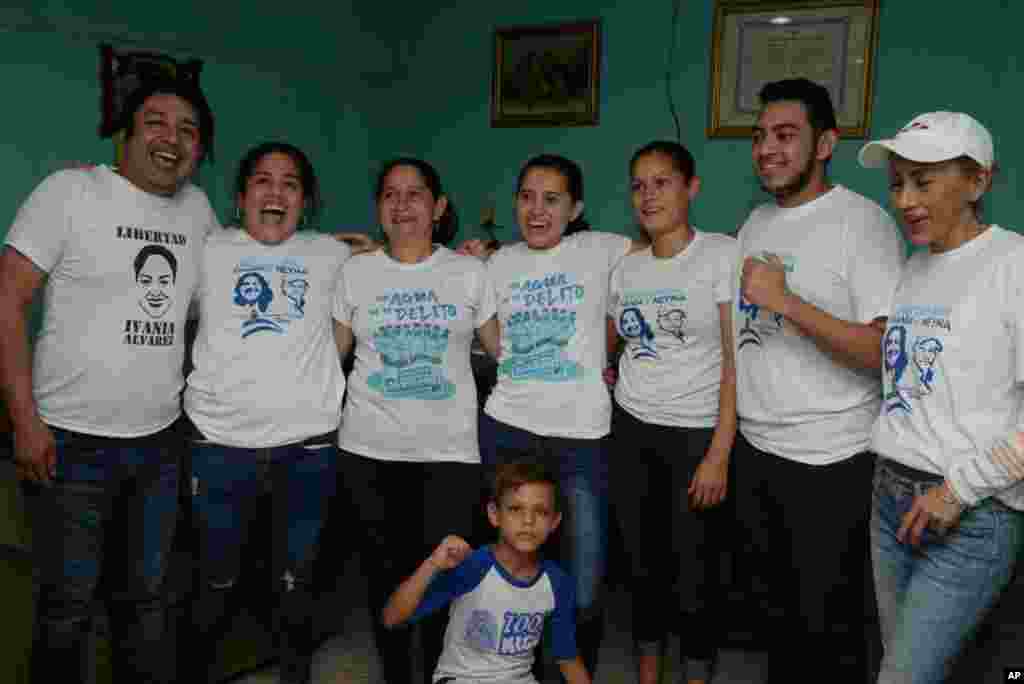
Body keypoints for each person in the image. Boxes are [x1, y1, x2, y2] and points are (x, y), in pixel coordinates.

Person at [0, 77, 218, 684]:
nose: (172, 139)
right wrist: (24, 420)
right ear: (126, 131)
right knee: (67, 607)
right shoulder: (70, 193)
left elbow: (213, 305)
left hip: (161, 443)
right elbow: (6, 300)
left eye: (189, 130)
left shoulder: (198, 210)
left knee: (147, 603)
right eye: (156, 121)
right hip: (69, 443)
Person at [732, 78, 905, 681]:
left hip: (830, 462)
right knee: (776, 626)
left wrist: (790, 304)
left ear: (826, 142)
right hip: (758, 454)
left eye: (785, 135)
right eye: (759, 136)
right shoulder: (754, 222)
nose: (766, 149)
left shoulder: (864, 225)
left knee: (828, 633)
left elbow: (886, 349)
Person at [858, 111, 1024, 683]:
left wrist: (957, 491)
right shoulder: (915, 267)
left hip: (969, 514)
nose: (905, 200)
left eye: (923, 182)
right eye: (897, 183)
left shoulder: (1014, 265)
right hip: (891, 498)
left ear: (978, 181)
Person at [471, 153, 649, 678]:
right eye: (526, 197)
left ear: (576, 208)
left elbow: (668, 253)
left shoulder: (602, 249)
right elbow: (492, 338)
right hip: (507, 430)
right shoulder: (499, 263)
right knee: (510, 571)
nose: (536, 210)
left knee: (587, 579)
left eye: (552, 199)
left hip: (580, 439)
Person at [182, 142, 351, 683]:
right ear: (240, 197)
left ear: (305, 201)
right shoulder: (206, 248)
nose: (275, 192)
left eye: (290, 183)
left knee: (296, 582)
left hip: (308, 450)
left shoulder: (333, 254)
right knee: (216, 580)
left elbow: (399, 270)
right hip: (219, 446)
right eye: (262, 180)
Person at [333, 157, 499, 684]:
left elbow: (503, 354)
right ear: (380, 209)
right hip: (368, 449)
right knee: (385, 579)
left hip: (448, 454)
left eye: (415, 194)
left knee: (440, 578)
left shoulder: (470, 273)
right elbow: (331, 358)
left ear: (440, 207)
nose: (402, 205)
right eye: (390, 195)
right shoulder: (355, 272)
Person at [607, 141, 737, 684]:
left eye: (662, 182)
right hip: (632, 431)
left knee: (695, 577)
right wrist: (608, 371)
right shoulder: (626, 268)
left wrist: (718, 455)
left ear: (692, 187)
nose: (648, 195)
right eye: (638, 185)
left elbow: (737, 363)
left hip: (695, 438)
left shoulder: (722, 254)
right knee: (643, 569)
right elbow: (613, 344)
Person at [381, 461, 591, 684]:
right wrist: (432, 564)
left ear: (554, 522)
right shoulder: (474, 566)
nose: (528, 521)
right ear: (494, 514)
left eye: (540, 511)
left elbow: (567, 657)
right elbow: (391, 618)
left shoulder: (557, 583)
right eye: (515, 509)